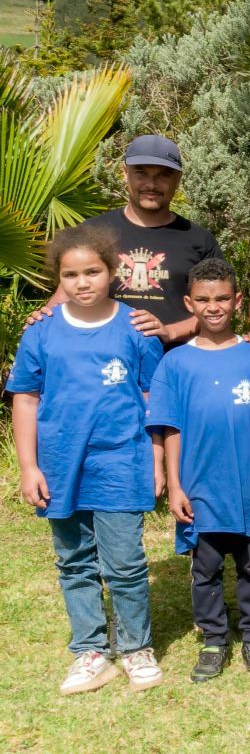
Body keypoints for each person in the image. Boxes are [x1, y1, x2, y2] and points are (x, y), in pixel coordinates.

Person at [8, 224, 165, 694]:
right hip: (59, 464)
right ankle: (91, 652)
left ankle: (136, 648)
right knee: (74, 561)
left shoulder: (135, 329)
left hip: (120, 461)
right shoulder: (41, 333)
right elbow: (25, 399)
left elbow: (153, 397)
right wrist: (29, 465)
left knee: (125, 563)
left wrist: (155, 460)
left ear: (112, 272)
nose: (82, 282)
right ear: (59, 278)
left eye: (92, 271)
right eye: (71, 274)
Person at [146, 258, 250, 682]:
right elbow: (171, 427)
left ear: (238, 301)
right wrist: (175, 484)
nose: (214, 307)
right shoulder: (175, 364)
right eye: (203, 299)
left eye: (222, 298)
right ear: (189, 303)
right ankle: (213, 639)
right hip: (200, 488)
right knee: (204, 570)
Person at [27, 135, 224, 347]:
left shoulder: (199, 240)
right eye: (141, 173)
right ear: (124, 173)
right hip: (100, 362)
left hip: (174, 366)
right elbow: (67, 292)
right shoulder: (92, 232)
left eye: (163, 176)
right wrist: (41, 325)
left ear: (177, 179)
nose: (151, 184)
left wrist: (170, 332)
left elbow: (218, 307)